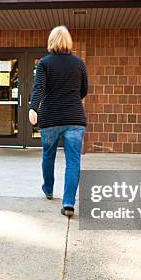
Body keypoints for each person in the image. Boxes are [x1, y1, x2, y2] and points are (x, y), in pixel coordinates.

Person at [29, 26, 88, 217]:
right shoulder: (79, 63)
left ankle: (48, 189)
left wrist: (33, 107)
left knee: (48, 155)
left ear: (51, 41)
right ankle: (69, 203)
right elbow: (84, 90)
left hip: (51, 117)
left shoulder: (45, 63)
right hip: (74, 118)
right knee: (73, 161)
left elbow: (39, 87)